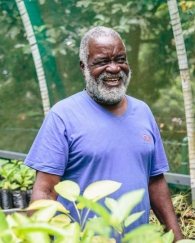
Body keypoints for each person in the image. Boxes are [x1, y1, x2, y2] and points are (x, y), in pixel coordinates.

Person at [24, 26, 184, 242]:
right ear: (84, 67)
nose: (114, 68)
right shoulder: (63, 115)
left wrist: (177, 238)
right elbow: (45, 191)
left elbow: (155, 181)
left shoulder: (143, 112)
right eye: (102, 61)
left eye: (121, 59)